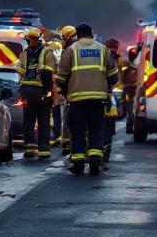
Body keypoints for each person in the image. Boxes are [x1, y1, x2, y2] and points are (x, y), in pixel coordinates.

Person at [55, 24, 118, 175]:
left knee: (78, 130)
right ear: (91, 34)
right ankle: (95, 161)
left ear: (78, 35)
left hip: (77, 100)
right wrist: (106, 86)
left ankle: (78, 163)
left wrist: (65, 90)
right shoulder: (104, 50)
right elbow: (114, 75)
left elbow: (61, 77)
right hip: (98, 99)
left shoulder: (71, 50)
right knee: (96, 129)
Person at [17, 27, 55, 160]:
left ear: (28, 39)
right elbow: (49, 73)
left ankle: (30, 149)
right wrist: (48, 92)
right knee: (44, 121)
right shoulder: (47, 52)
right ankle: (43, 150)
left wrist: (22, 91)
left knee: (28, 121)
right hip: (41, 91)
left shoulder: (24, 53)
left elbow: (20, 73)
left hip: (27, 91)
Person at [102, 38, 124, 156]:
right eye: (111, 47)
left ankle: (105, 151)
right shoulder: (103, 59)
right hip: (106, 94)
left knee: (109, 125)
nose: (113, 50)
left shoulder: (121, 60)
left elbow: (128, 74)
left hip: (112, 94)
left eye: (115, 47)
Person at [120, 45, 140, 134]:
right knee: (130, 108)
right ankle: (130, 127)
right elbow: (122, 75)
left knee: (132, 109)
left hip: (135, 88)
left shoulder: (139, 63)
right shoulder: (126, 64)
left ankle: (132, 126)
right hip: (128, 89)